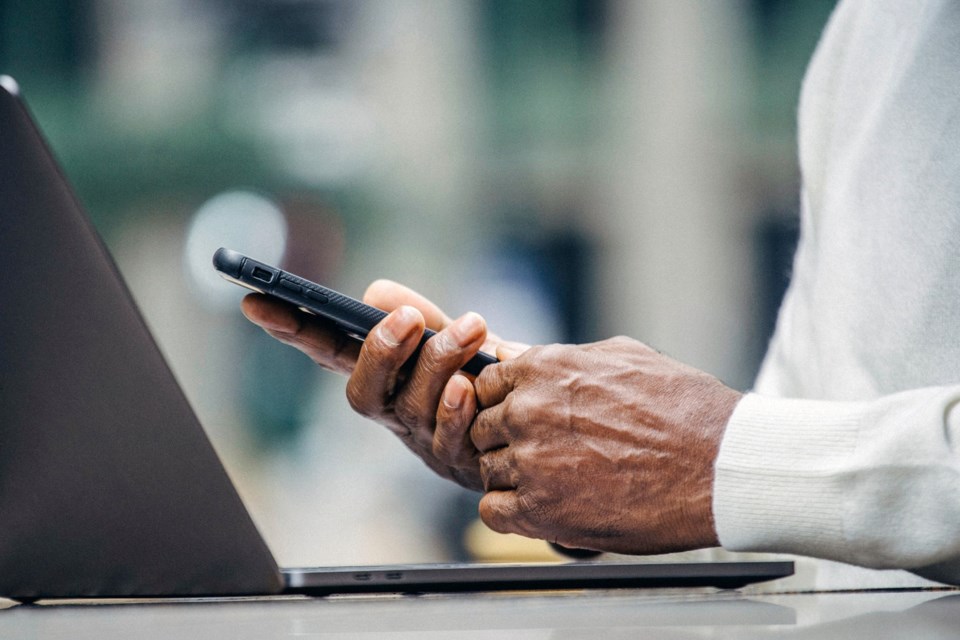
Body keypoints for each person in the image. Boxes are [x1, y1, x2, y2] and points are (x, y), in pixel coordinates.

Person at [242, 0, 960, 587]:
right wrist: (548, 470)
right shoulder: (867, 31)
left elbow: (763, 472)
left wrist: (718, 460)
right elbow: (795, 518)